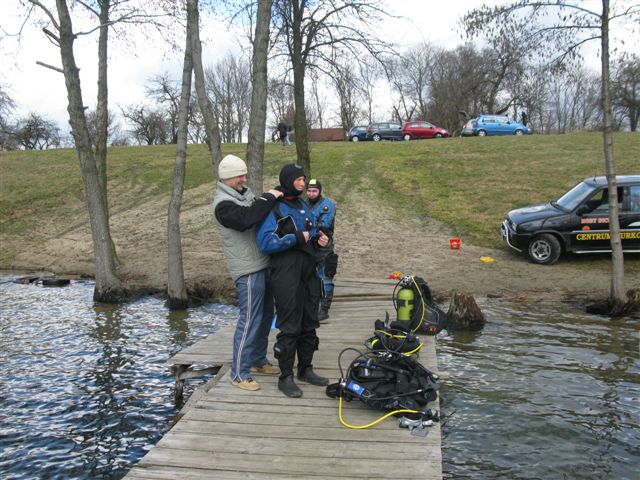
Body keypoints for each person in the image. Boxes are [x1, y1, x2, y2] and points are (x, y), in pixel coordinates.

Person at [256, 164, 331, 398]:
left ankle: (305, 369)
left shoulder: (302, 206)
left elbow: (313, 230)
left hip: (309, 271)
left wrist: (321, 239)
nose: (303, 183)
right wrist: (298, 238)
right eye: (298, 180)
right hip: (285, 272)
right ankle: (285, 376)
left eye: (303, 179)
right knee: (290, 325)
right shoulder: (274, 208)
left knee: (310, 321)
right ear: (288, 181)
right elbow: (265, 242)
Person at [212, 154, 283, 391]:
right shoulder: (223, 205)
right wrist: (268, 197)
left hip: (262, 263)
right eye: (239, 175)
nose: (244, 178)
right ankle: (239, 374)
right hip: (246, 270)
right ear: (228, 178)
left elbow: (258, 211)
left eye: (244, 174)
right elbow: (247, 218)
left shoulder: (244, 194)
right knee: (249, 320)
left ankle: (258, 360)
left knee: (265, 317)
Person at [306, 179, 338, 322]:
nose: (311, 193)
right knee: (308, 277)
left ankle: (324, 309)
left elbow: (324, 225)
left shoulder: (327, 205)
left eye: (314, 191)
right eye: (309, 191)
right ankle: (311, 305)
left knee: (326, 278)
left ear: (319, 191)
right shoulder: (303, 204)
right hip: (308, 247)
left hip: (324, 248)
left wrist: (307, 225)